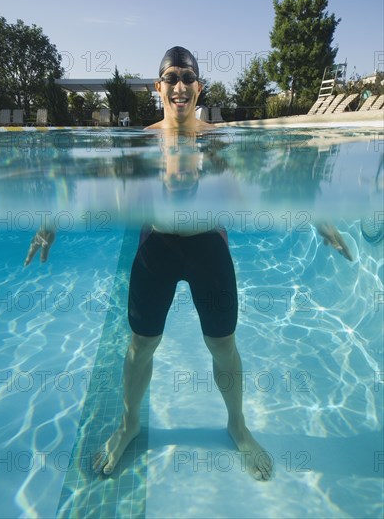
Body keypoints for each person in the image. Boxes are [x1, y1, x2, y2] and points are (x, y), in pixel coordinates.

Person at [26, 47, 353, 482]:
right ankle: (129, 424)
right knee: (141, 346)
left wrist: (317, 216)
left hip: (208, 250)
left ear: (198, 86)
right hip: (156, 249)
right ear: (159, 87)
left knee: (223, 346)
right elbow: (87, 184)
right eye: (170, 77)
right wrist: (50, 220)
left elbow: (268, 184)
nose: (179, 86)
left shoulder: (218, 142)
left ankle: (237, 425)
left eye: (187, 77)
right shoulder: (142, 142)